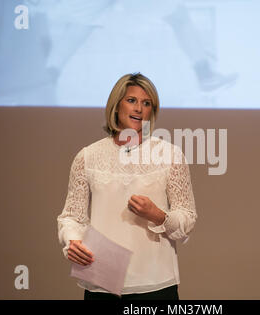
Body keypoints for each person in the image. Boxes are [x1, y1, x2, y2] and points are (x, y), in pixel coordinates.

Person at [57, 73, 197, 300]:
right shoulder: (88, 156)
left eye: (146, 103)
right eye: (131, 100)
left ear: (152, 110)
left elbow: (187, 219)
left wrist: (158, 215)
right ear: (116, 105)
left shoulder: (170, 155)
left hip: (155, 285)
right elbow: (72, 217)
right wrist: (73, 240)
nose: (139, 109)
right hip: (102, 284)